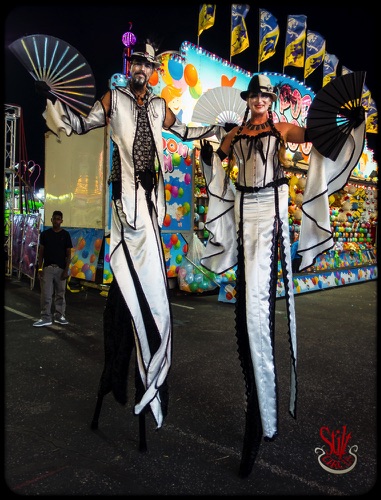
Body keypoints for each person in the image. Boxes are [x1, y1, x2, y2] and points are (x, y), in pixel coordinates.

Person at [39, 41, 222, 434]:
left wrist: (213, 130)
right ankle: (122, 375)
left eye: (147, 65)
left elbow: (185, 129)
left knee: (158, 305)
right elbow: (80, 125)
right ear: (131, 65)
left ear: (154, 72)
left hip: (150, 207)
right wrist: (54, 103)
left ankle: (153, 379)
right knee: (124, 303)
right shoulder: (114, 98)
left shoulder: (157, 106)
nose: (141, 69)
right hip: (124, 210)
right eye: (137, 62)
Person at [199, 74, 308, 477]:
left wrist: (340, 125)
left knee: (257, 305)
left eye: (264, 95)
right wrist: (212, 145)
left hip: (272, 209)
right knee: (249, 301)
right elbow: (217, 155)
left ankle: (261, 413)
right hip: (244, 210)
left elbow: (309, 133)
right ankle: (258, 408)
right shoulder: (238, 132)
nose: (259, 100)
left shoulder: (280, 128)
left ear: (269, 99)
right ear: (248, 100)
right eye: (255, 95)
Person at [33, 210, 73, 327]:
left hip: (61, 269)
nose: (56, 221)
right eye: (54, 219)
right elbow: (41, 253)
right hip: (47, 269)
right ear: (51, 220)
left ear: (61, 221)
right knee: (46, 294)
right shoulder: (45, 234)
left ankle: (59, 315)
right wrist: (40, 269)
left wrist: (66, 270)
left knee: (60, 294)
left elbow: (68, 254)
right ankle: (46, 317)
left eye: (58, 219)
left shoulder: (65, 235)